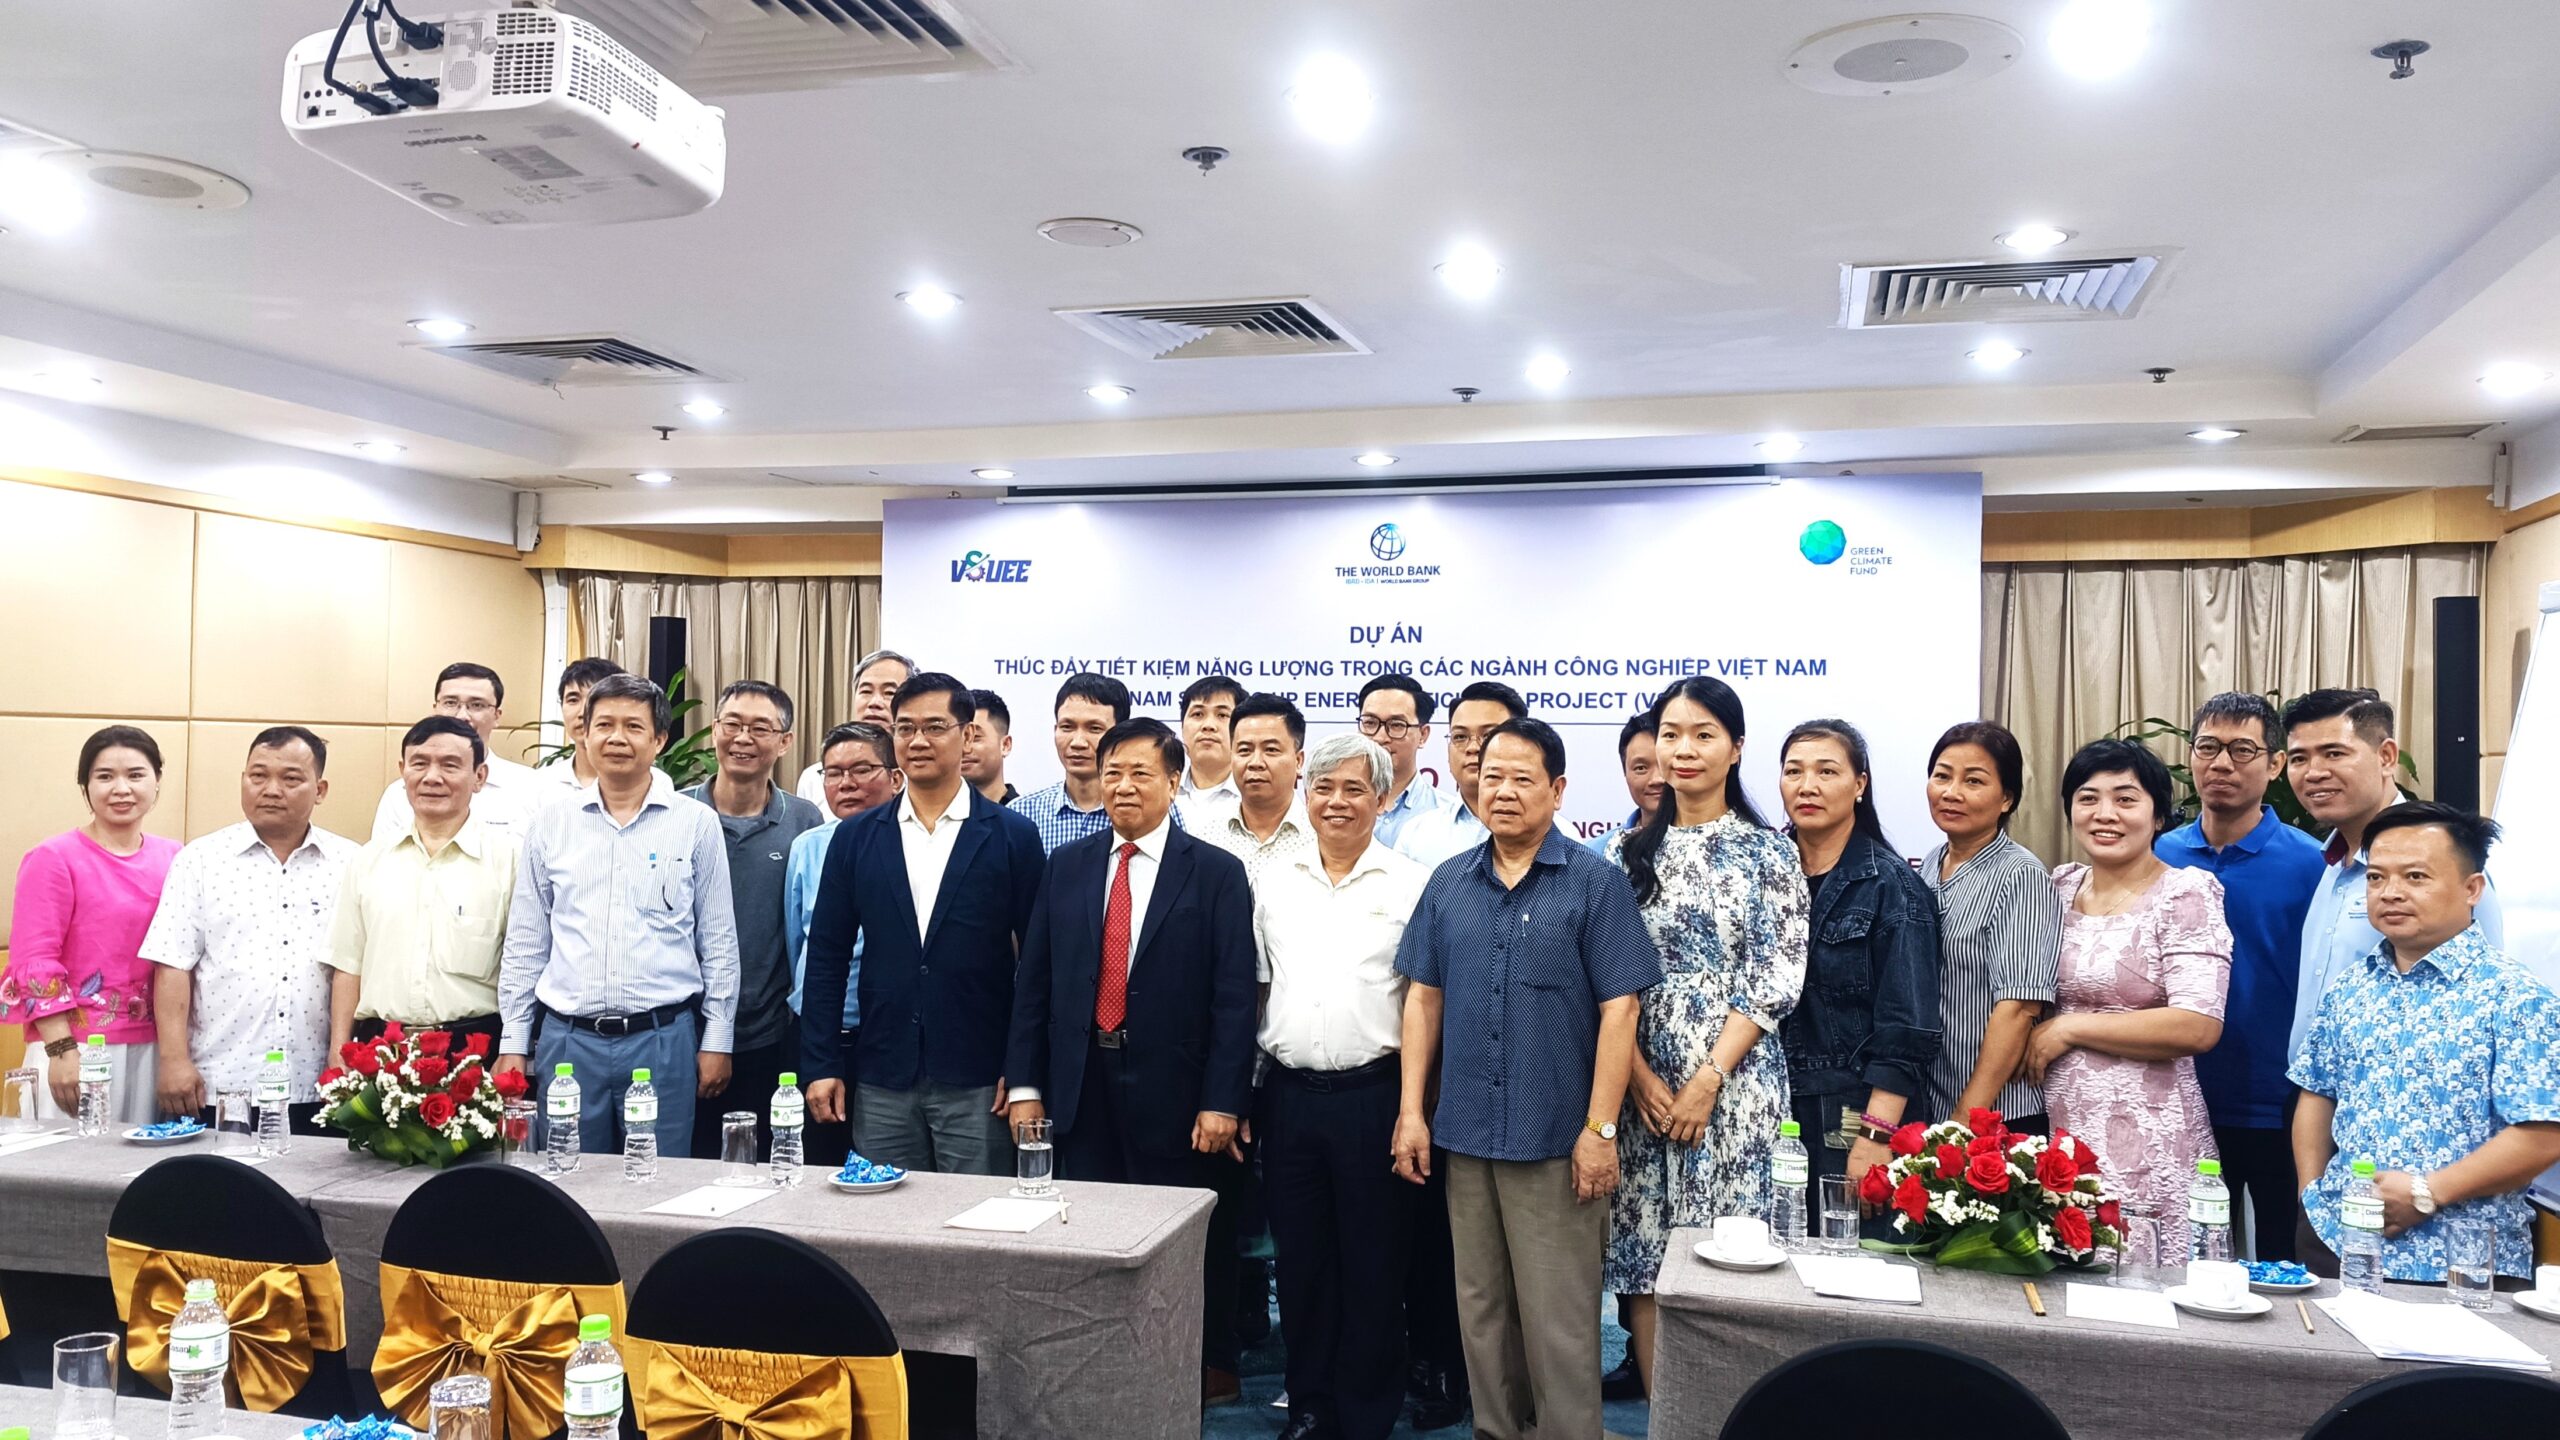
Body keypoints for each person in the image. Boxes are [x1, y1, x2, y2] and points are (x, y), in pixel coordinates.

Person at [1392, 718, 1661, 1440]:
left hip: (1557, 1141)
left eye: (1521, 778)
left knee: (1559, 1320)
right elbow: (1423, 999)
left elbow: (1620, 1011)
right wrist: (1412, 1112)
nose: (1503, 791)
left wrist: (1600, 1130)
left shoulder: (1595, 884)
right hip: (1466, 1133)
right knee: (1480, 1311)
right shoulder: (1449, 882)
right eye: (1491, 777)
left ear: (1558, 789)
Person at [1005, 718, 1259, 1405]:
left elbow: (1235, 999)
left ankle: (1205, 1364)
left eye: (1140, 773)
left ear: (1174, 782)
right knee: (1089, 1228)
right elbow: (1034, 985)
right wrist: (1025, 1084)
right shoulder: (1068, 865)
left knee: (1187, 1235)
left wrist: (1223, 1100)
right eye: (1112, 772)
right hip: (1081, 1083)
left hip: (1180, 1094)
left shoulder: (1215, 872)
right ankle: (1101, 1363)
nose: (1122, 786)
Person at [1604, 678, 1805, 1397]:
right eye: (1671, 734)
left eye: (1703, 734)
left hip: (1737, 1083)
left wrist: (1707, 1078)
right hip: (1641, 1085)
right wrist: (1638, 1078)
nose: (1683, 749)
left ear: (1736, 748)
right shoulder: (1621, 853)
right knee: (1645, 1257)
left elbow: (1777, 977)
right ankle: (1669, 1418)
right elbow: (1601, 979)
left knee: (1732, 1252)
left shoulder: (1769, 853)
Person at [2290, 803, 2560, 1282]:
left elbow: (2543, 1134)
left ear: (2472, 889)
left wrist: (2427, 1191)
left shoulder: (2517, 997)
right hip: (2337, 1242)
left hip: (2464, 1264)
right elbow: (2317, 1093)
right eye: (2376, 878)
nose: (2391, 892)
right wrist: (2311, 1195)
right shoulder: (2350, 988)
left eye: (2415, 877)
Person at [1253, 735, 1429, 1440]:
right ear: (1306, 794)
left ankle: (1364, 1414)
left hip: (1375, 1098)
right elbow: (1257, 989)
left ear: (1381, 800)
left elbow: (1423, 1003)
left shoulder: (1411, 884)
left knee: (1374, 1264)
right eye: (1323, 788)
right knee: (1300, 1263)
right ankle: (1309, 1404)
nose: (1336, 802)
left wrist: (1412, 1110)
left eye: (1354, 789)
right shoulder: (1273, 881)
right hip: (1288, 1099)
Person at [804, 674, 1044, 1174]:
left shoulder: (1012, 836)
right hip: (883, 1072)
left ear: (967, 735)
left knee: (978, 1214)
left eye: (935, 727)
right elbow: (826, 956)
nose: (917, 741)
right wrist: (822, 1062)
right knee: (884, 1212)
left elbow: (1039, 965)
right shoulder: (856, 838)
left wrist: (1022, 1071)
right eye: (905, 728)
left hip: (980, 1076)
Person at [497, 674, 740, 1154]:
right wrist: (514, 1042)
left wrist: (718, 1038)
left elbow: (718, 941)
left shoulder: (696, 823)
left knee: (657, 1179)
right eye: (604, 725)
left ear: (659, 739)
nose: (616, 738)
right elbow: (527, 942)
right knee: (567, 1178)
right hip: (568, 1042)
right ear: (584, 734)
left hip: (662, 1039)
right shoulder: (551, 824)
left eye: (633, 726)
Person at [2025, 739, 2232, 1234]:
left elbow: (2198, 1025)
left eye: (2125, 799)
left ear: (2158, 816)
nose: (2105, 814)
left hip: (2151, 1130)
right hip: (2060, 1122)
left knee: (2139, 1265)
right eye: (2088, 798)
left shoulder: (2185, 893)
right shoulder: (2058, 887)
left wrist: (2070, 1028)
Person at [2155, 692, 2324, 1261]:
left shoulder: (2312, 863)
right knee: (2192, 1261)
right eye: (2208, 747)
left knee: (2280, 1261)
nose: (2221, 763)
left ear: (2274, 764)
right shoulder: (2160, 854)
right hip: (2181, 1094)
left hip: (2277, 1101)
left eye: (2242, 750)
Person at [142, 727, 356, 1127]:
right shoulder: (200, 859)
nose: (271, 790)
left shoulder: (351, 863)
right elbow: (172, 963)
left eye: (290, 779)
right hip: (218, 1082)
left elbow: (351, 966)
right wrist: (173, 1060)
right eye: (258, 776)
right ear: (243, 780)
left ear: (320, 789)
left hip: (317, 1084)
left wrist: (340, 1058)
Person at [2284, 688, 2504, 1067]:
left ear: (2386, 756)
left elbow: (2486, 996)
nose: (2314, 773)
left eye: (2334, 753)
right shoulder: (2333, 861)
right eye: (2299, 758)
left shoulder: (2446, 858)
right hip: (2313, 1087)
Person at [1775, 719, 1940, 1200]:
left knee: (1851, 1242)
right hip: (1772, 1105)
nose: (1807, 786)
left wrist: (1875, 1135)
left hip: (1851, 1112)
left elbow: (1907, 1029)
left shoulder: (1892, 885)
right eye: (1794, 771)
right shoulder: (1768, 872)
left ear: (1860, 784)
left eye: (1827, 771)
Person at [5, 726, 181, 1124]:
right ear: (85, 786)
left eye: (135, 775)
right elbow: (34, 961)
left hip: (154, 1048)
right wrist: (61, 1050)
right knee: (67, 1160)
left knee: (142, 1159)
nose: (121, 789)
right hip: (75, 1050)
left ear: (156, 781)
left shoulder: (176, 857)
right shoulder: (53, 858)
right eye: (105, 776)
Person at [680, 682, 822, 1159]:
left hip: (770, 1035)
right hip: (681, 1033)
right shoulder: (675, 813)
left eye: (760, 728)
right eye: (733, 724)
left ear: (784, 742)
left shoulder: (804, 821)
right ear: (714, 729)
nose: (743, 738)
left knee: (766, 1164)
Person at [325, 716, 520, 1056]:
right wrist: (338, 1051)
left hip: (474, 1051)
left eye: (450, 765)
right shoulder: (367, 860)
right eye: (419, 764)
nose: (432, 777)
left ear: (479, 777)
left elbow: (522, 970)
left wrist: (513, 1051)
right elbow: (347, 966)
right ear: (403, 772)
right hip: (381, 1050)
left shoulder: (510, 861)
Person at [1921, 720, 2062, 1129]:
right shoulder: (1929, 863)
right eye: (1942, 776)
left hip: (1997, 1114)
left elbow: (2019, 1007)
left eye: (1974, 781)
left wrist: (1966, 1119)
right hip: (1934, 1100)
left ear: (2006, 799)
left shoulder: (2021, 875)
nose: (1952, 792)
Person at [784, 721, 902, 1167]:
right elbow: (799, 943)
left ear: (896, 778)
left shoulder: (909, 844)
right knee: (819, 1163)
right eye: (833, 773)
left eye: (861, 770)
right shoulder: (807, 847)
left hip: (886, 1037)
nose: (846, 783)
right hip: (820, 1035)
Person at [373, 663, 556, 839]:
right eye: (450, 703)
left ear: (496, 716)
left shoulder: (533, 788)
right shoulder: (399, 794)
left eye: (476, 705)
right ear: (435, 709)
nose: (462, 716)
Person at [1391, 681, 1525, 869]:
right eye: (1460, 737)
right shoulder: (1416, 835)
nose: (1473, 748)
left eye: (1488, 736)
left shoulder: (1555, 836)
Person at [1188, 692, 1314, 887]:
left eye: (1271, 750)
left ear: (1298, 761)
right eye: (1244, 750)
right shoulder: (1204, 839)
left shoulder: (1321, 838)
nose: (1255, 762)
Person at [1008, 671, 1133, 855]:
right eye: (1067, 727)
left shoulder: (1151, 814)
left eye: (1094, 728)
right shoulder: (1021, 813)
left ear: (1120, 736)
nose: (1078, 742)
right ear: (1055, 730)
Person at [795, 649, 916, 805]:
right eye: (866, 691)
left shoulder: (922, 774)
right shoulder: (814, 779)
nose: (874, 703)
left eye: (889, 693)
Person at [1357, 672, 1449, 850]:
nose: (1380, 737)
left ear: (1423, 735)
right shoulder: (1334, 808)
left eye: (1397, 725)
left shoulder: (1447, 815)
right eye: (1370, 723)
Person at [537, 657, 626, 792]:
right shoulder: (541, 784)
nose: (583, 713)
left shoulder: (651, 784)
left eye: (595, 699)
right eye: (573, 700)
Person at [1583, 712, 1662, 855]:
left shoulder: (1707, 845)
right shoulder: (1596, 854)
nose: (1656, 779)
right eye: (1641, 768)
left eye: (1665, 765)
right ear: (1625, 772)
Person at [1176, 673, 1247, 832]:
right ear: (1182, 726)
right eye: (1198, 714)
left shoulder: (1254, 796)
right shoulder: (1162, 790)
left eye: (1222, 715)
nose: (1208, 725)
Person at [962, 687, 1018, 805]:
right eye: (957, 738)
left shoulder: (1024, 811)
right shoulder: (936, 813)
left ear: (1005, 745)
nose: (963, 748)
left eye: (975, 737)